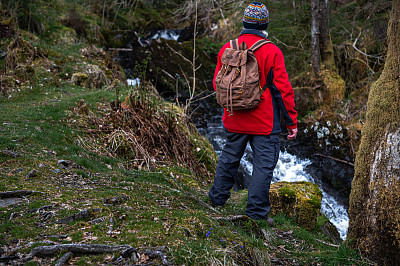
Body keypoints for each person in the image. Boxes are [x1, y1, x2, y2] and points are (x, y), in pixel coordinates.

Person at [208, 2, 298, 225]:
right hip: (264, 122)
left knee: (229, 158)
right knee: (263, 166)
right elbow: (282, 90)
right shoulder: (272, 51)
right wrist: (291, 122)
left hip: (233, 118)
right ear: (264, 24)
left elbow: (216, 83)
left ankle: (216, 200)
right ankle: (256, 214)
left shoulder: (227, 48)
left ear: (245, 23)